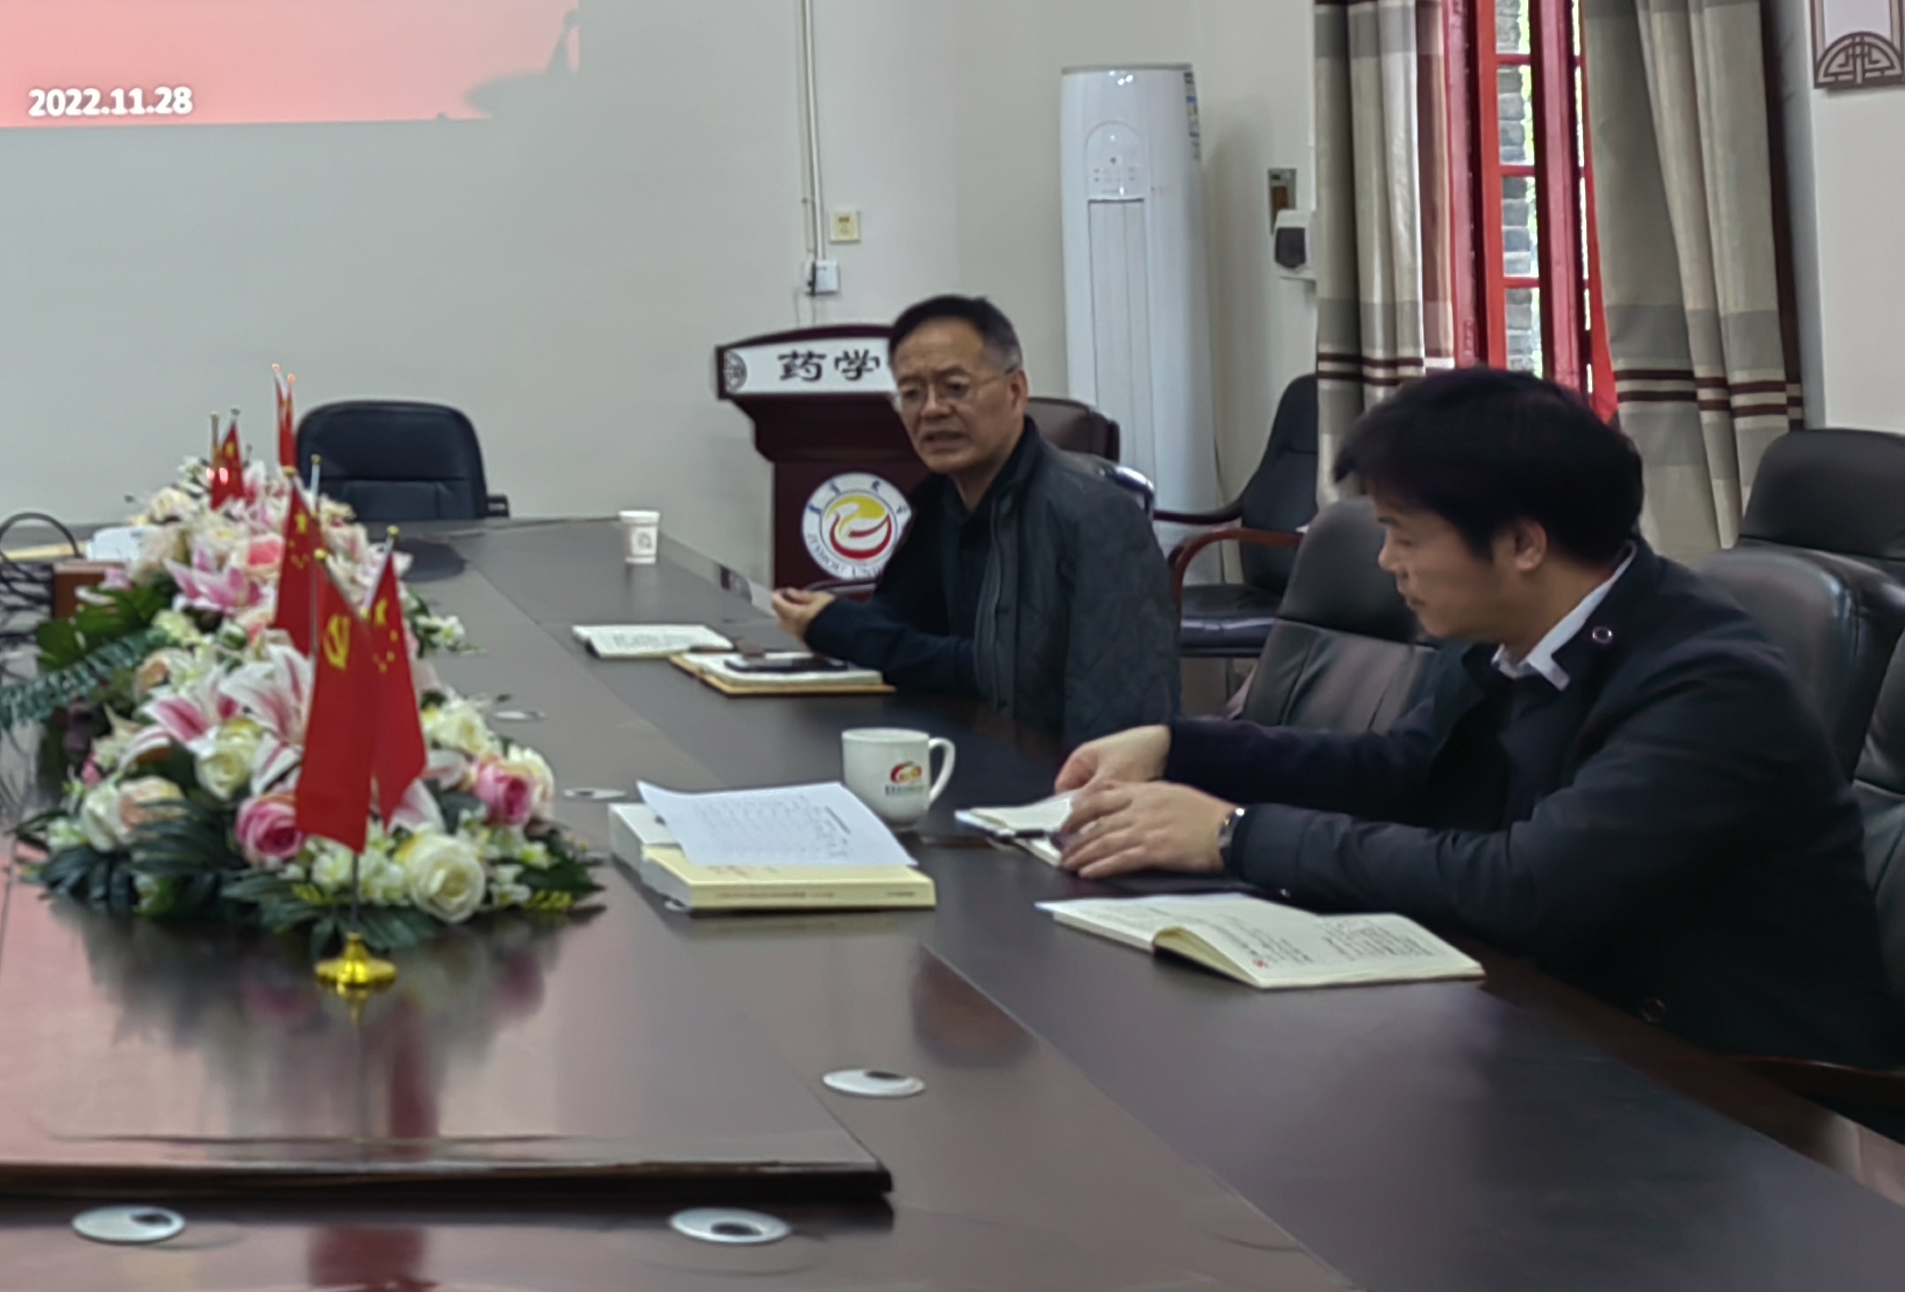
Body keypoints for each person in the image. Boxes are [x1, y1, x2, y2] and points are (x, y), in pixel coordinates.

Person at [1056, 368, 1900, 1065]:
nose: (1386, 560)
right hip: (1570, 1027)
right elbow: (1399, 771)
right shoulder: (1515, 635)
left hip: (1746, 1100)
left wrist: (1234, 835)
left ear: (1524, 544)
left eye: (1404, 535)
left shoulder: (1709, 684)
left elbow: (1526, 886)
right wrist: (1179, 747)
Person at [769, 292, 1173, 739]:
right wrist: (832, 619)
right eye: (911, 393)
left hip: (1050, 765)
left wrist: (843, 629)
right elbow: (902, 620)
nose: (931, 410)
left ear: (1015, 392)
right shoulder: (942, 499)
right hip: (961, 743)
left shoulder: (1096, 516)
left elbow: (1008, 674)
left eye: (955, 387)